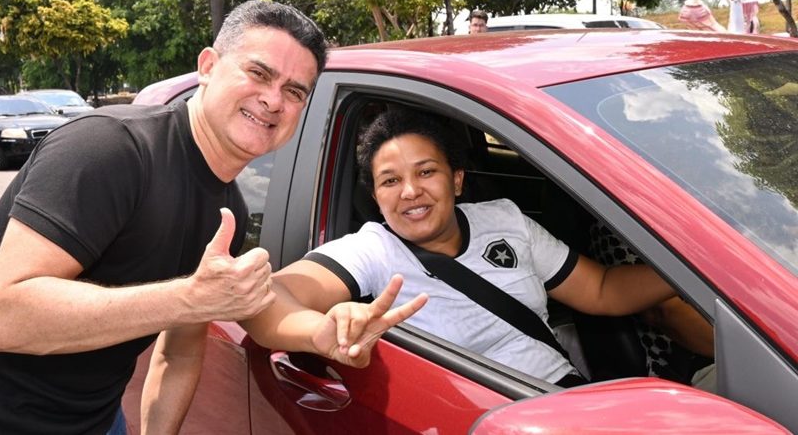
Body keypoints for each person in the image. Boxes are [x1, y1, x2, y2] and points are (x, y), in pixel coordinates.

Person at [0, 1, 426, 435]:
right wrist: (189, 298)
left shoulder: (229, 210)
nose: (273, 100)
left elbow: (178, 353)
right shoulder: (110, 148)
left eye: (295, 92)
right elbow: (4, 314)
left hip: (100, 420)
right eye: (258, 73)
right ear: (208, 66)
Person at [243, 106, 711, 388]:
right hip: (479, 414)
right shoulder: (373, 251)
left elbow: (602, 289)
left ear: (457, 179)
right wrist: (321, 330)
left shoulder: (503, 219)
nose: (410, 191)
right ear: (377, 197)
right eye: (390, 181)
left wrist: (701, 272)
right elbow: (268, 299)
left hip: (564, 397)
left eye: (426, 171)